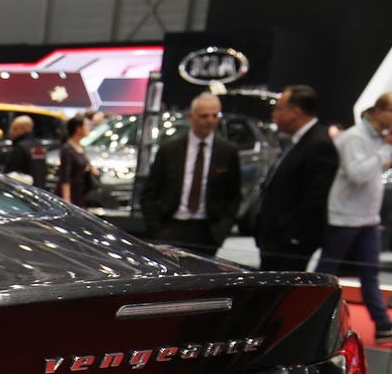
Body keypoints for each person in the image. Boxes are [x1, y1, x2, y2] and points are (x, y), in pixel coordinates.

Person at [317, 92, 392, 342]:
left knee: (370, 273)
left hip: (367, 217)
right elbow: (357, 174)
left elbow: (373, 170)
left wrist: (385, 149)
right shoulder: (354, 137)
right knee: (327, 272)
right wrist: (387, 149)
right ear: (378, 111)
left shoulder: (378, 139)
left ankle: (383, 324)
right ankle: (311, 318)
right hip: (345, 216)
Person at [141, 92, 243, 256]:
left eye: (215, 116)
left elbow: (234, 196)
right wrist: (156, 229)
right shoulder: (169, 150)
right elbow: (149, 193)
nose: (210, 121)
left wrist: (221, 231)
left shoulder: (227, 152)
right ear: (191, 117)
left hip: (208, 231)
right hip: (171, 227)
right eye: (204, 116)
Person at [255, 85, 339, 271]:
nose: (274, 114)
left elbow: (315, 198)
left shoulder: (319, 145)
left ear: (296, 112)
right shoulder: (296, 140)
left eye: (279, 109)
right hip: (275, 237)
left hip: (290, 243)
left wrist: (289, 235)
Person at [56, 114, 98, 206]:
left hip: (80, 192)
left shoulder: (80, 147)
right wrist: (66, 200)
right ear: (78, 129)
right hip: (71, 193)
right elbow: (65, 176)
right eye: (86, 125)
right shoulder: (67, 149)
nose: (89, 128)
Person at [2, 115, 47, 189]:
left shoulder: (19, 147)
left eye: (15, 129)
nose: (11, 131)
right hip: (39, 190)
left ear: (25, 129)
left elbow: (11, 173)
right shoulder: (39, 146)